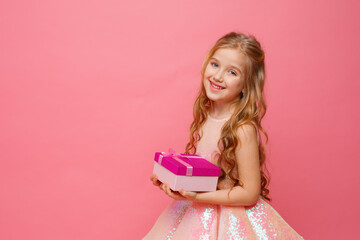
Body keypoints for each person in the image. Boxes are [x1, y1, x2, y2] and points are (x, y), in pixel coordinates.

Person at [143, 32, 304, 239]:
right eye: (215, 64)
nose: (218, 76)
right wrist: (176, 182)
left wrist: (198, 197)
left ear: (247, 84)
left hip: (230, 221)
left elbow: (249, 192)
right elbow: (207, 174)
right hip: (198, 212)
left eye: (232, 72)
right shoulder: (206, 115)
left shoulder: (241, 128)